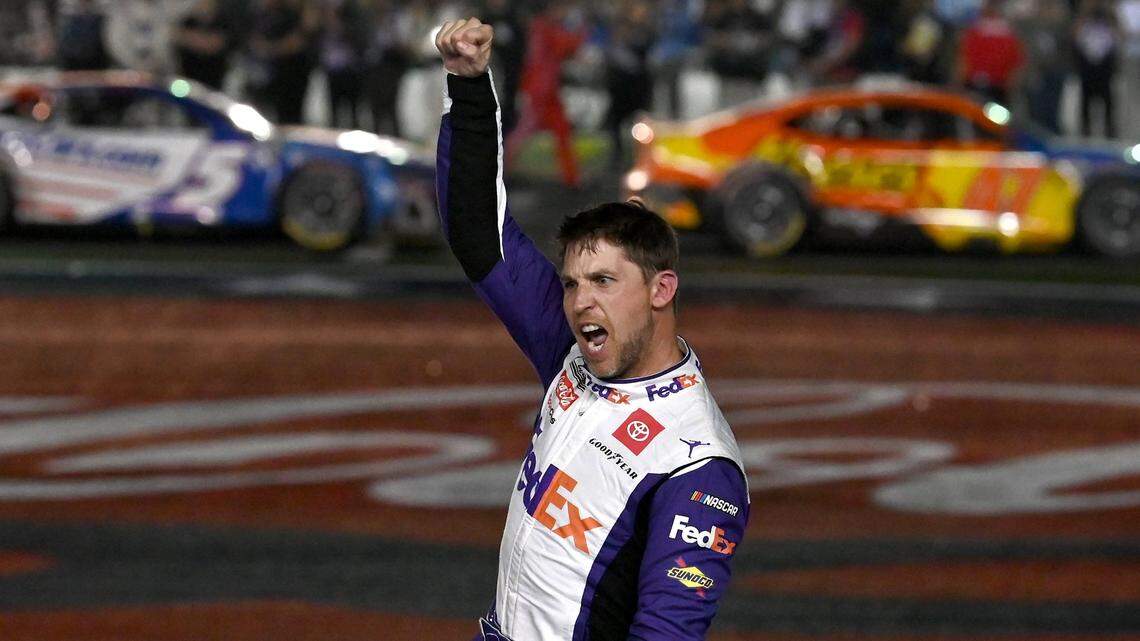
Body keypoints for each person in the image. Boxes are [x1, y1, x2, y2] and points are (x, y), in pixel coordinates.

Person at [435, 17, 749, 641]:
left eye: (605, 282)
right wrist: (469, 87)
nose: (580, 303)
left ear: (661, 290)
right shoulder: (573, 352)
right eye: (574, 283)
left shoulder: (698, 465)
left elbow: (666, 632)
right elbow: (480, 236)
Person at [504, 3, 587, 188]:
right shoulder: (544, 29)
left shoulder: (541, 29)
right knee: (521, 134)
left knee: (562, 132)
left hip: (547, 91)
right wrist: (582, 30)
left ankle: (572, 178)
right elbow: (567, 46)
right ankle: (496, 173)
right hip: (539, 92)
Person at [956, 0, 1024, 105]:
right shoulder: (975, 30)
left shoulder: (1008, 34)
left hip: (995, 87)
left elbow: (1016, 63)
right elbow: (963, 58)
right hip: (977, 85)